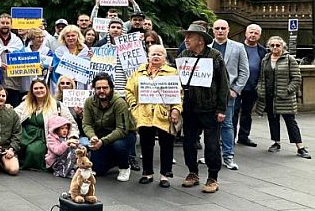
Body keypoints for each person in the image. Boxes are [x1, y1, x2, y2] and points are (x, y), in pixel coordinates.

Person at [178, 23, 229, 194]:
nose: (186, 40)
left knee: (212, 144)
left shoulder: (215, 56)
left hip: (209, 108)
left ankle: (212, 177)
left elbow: (223, 84)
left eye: (189, 37)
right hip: (190, 108)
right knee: (188, 143)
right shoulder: (184, 54)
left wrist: (222, 109)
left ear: (200, 40)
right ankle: (192, 172)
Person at [125, 45, 182, 187]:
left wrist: (176, 109)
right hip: (144, 114)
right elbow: (129, 90)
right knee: (146, 144)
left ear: (164, 57)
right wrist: (133, 105)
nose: (156, 56)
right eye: (153, 54)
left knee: (167, 144)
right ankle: (147, 173)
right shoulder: (139, 71)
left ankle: (165, 175)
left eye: (160, 54)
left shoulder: (172, 72)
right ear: (148, 56)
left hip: (164, 114)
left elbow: (179, 94)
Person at [256, 36, 311, 159]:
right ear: (269, 47)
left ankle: (300, 147)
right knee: (273, 119)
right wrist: (260, 89)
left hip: (285, 97)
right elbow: (261, 77)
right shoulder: (266, 59)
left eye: (278, 45)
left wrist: (287, 91)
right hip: (269, 96)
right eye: (272, 45)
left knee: (291, 122)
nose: (275, 48)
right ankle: (276, 142)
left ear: (283, 47)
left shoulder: (289, 59)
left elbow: (296, 78)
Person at [209, 19, 249, 171]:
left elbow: (244, 71)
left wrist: (235, 90)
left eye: (223, 28)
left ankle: (228, 156)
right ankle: (210, 154)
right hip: (209, 94)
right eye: (217, 28)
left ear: (228, 30)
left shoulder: (238, 47)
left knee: (227, 125)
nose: (220, 31)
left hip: (229, 93)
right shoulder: (207, 46)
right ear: (213, 30)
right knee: (210, 125)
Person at [14, 79, 78, 171]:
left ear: (46, 89)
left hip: (45, 137)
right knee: (16, 147)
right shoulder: (26, 104)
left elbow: (71, 123)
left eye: (41, 88)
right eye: (36, 88)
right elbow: (13, 115)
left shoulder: (57, 105)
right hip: (26, 135)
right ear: (32, 91)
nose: (39, 90)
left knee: (33, 151)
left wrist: (73, 137)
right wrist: (5, 108)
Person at [82, 73, 134, 181]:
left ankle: (124, 166)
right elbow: (87, 124)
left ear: (111, 88)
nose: (101, 90)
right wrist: (92, 136)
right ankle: (113, 160)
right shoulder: (89, 102)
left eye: (105, 88)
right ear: (94, 89)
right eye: (98, 88)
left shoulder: (120, 102)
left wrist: (103, 142)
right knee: (98, 170)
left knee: (118, 145)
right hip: (101, 135)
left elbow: (122, 129)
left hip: (123, 136)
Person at [237, 24, 267, 147]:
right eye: (251, 32)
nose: (253, 35)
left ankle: (244, 136)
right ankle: (228, 137)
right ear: (246, 33)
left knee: (247, 113)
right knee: (232, 113)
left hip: (252, 87)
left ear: (259, 36)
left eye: (256, 33)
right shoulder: (237, 47)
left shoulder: (262, 51)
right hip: (236, 86)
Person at [0, 14, 26, 106]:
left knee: (13, 109)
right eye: (2, 23)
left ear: (11, 25)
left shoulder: (17, 40)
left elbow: (24, 59)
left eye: (7, 23)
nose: (5, 25)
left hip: (13, 82)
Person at [50, 25, 89, 93]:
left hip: (80, 83)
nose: (70, 38)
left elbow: (88, 68)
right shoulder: (59, 51)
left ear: (78, 36)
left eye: (73, 35)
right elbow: (56, 69)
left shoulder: (84, 50)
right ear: (64, 37)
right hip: (64, 83)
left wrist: (91, 58)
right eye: (68, 36)